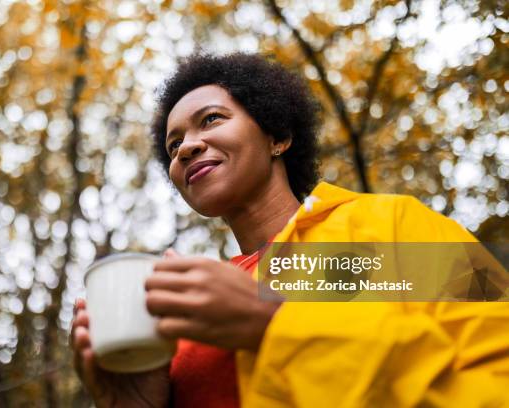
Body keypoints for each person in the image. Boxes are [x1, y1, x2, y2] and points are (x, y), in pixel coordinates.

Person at [71, 53, 509, 407]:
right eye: (173, 145)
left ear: (277, 136)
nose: (186, 147)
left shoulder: (390, 226)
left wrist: (278, 325)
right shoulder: (185, 320)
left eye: (210, 120)